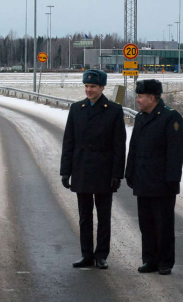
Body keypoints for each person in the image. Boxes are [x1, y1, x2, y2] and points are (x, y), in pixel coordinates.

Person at [61, 69, 126, 270]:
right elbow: (68, 142)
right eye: (87, 86)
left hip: (104, 171)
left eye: (93, 87)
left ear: (102, 87)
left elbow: (119, 145)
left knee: (104, 216)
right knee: (84, 216)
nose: (89, 90)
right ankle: (86, 254)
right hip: (82, 169)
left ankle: (101, 255)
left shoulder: (114, 110)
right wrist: (65, 170)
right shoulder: (76, 109)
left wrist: (117, 174)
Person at [125, 79, 183, 275]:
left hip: (162, 182)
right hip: (143, 179)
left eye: (140, 97)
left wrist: (172, 180)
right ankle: (149, 260)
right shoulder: (141, 118)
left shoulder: (170, 118)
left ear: (152, 98)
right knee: (146, 224)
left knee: (164, 224)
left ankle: (165, 262)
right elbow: (134, 147)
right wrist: (130, 172)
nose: (138, 101)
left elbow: (175, 153)